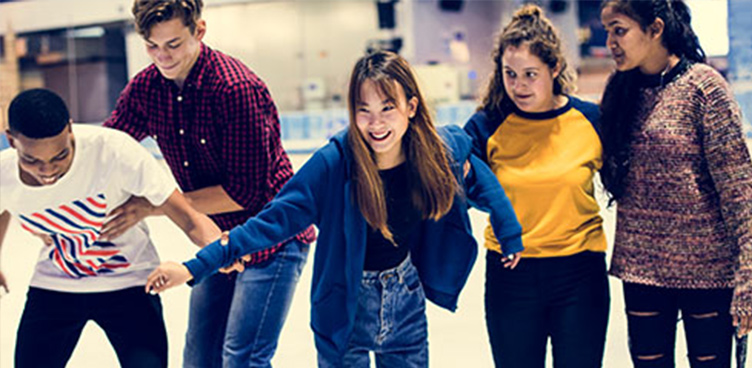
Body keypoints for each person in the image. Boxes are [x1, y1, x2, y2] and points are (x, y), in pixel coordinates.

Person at [145, 50, 523, 367]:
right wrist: (193, 267)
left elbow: (482, 180)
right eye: (364, 109)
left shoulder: (438, 152)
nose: (375, 123)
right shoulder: (334, 164)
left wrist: (509, 232)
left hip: (405, 297)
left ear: (411, 107)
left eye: (387, 107)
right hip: (345, 303)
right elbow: (269, 222)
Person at [103, 1, 316, 366]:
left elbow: (244, 192)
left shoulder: (235, 89)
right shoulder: (147, 89)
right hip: (215, 237)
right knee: (200, 357)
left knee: (241, 358)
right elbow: (110, 149)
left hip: (271, 236)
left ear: (199, 31)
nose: (162, 56)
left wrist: (153, 206)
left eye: (173, 44)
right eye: (152, 46)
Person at [0, 88, 222, 368]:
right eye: (31, 160)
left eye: (59, 156)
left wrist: (222, 252)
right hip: (54, 287)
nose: (47, 170)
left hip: (131, 284)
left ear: (70, 130)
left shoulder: (115, 151)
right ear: (11, 141)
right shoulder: (3, 173)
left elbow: (189, 217)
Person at [599, 0, 752, 366]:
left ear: (655, 29)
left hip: (708, 273)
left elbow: (742, 193)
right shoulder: (619, 92)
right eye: (608, 30)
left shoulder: (704, 88)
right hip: (641, 270)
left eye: (619, 30)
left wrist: (751, 279)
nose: (610, 41)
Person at [464, 4, 609, 367]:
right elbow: (456, 190)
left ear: (554, 68)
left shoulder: (590, 120)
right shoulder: (486, 126)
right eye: (510, 74)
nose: (519, 85)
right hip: (511, 274)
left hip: (580, 274)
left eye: (531, 74)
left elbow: (632, 184)